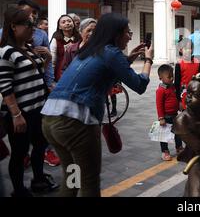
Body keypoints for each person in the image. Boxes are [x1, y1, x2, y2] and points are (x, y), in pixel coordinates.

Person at [41, 13, 153, 197]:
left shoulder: (89, 50)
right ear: (116, 34)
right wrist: (148, 60)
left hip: (51, 120)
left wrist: (129, 59)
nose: (130, 37)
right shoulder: (112, 52)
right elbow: (140, 85)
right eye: (127, 32)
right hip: (75, 122)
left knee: (73, 178)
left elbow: (103, 71)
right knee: (89, 183)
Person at [0, 7, 59, 197]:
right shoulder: (6, 52)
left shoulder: (27, 47)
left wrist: (48, 59)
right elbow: (5, 86)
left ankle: (39, 180)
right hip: (20, 113)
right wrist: (16, 115)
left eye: (34, 23)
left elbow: (36, 75)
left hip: (37, 109)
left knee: (40, 146)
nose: (33, 28)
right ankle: (18, 191)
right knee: (19, 152)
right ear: (13, 26)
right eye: (28, 24)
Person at [156, 65, 183, 161]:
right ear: (161, 78)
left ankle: (179, 148)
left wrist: (179, 105)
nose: (172, 78)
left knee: (178, 133)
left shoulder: (172, 87)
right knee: (164, 135)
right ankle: (165, 151)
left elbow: (176, 98)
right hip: (166, 116)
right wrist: (161, 118)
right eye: (169, 77)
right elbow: (159, 105)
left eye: (173, 76)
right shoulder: (160, 90)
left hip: (175, 114)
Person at [50, 15, 81, 82]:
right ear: (59, 27)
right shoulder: (56, 40)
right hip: (61, 73)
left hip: (78, 71)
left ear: (73, 24)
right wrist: (51, 79)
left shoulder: (80, 38)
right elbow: (52, 61)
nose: (67, 23)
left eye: (69, 21)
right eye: (63, 22)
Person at [175, 38, 200, 110]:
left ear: (192, 50)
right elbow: (177, 84)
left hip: (196, 93)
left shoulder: (197, 62)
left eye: (190, 48)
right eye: (185, 48)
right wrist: (179, 101)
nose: (188, 50)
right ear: (181, 50)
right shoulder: (179, 64)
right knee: (185, 115)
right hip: (183, 94)